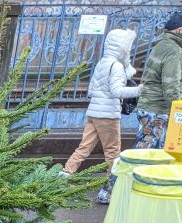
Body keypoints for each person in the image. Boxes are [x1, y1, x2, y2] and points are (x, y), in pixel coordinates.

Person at [61, 28, 142, 204]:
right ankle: (109, 190)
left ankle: (63, 177)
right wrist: (139, 90)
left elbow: (91, 90)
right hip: (107, 116)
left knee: (83, 148)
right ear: (122, 48)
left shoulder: (103, 62)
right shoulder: (117, 66)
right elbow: (116, 91)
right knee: (112, 153)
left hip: (93, 113)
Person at [135, 11, 182, 150]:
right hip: (157, 109)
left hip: (149, 107)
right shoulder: (173, 50)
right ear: (179, 29)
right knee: (149, 153)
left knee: (145, 148)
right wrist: (178, 110)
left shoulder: (161, 45)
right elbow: (171, 84)